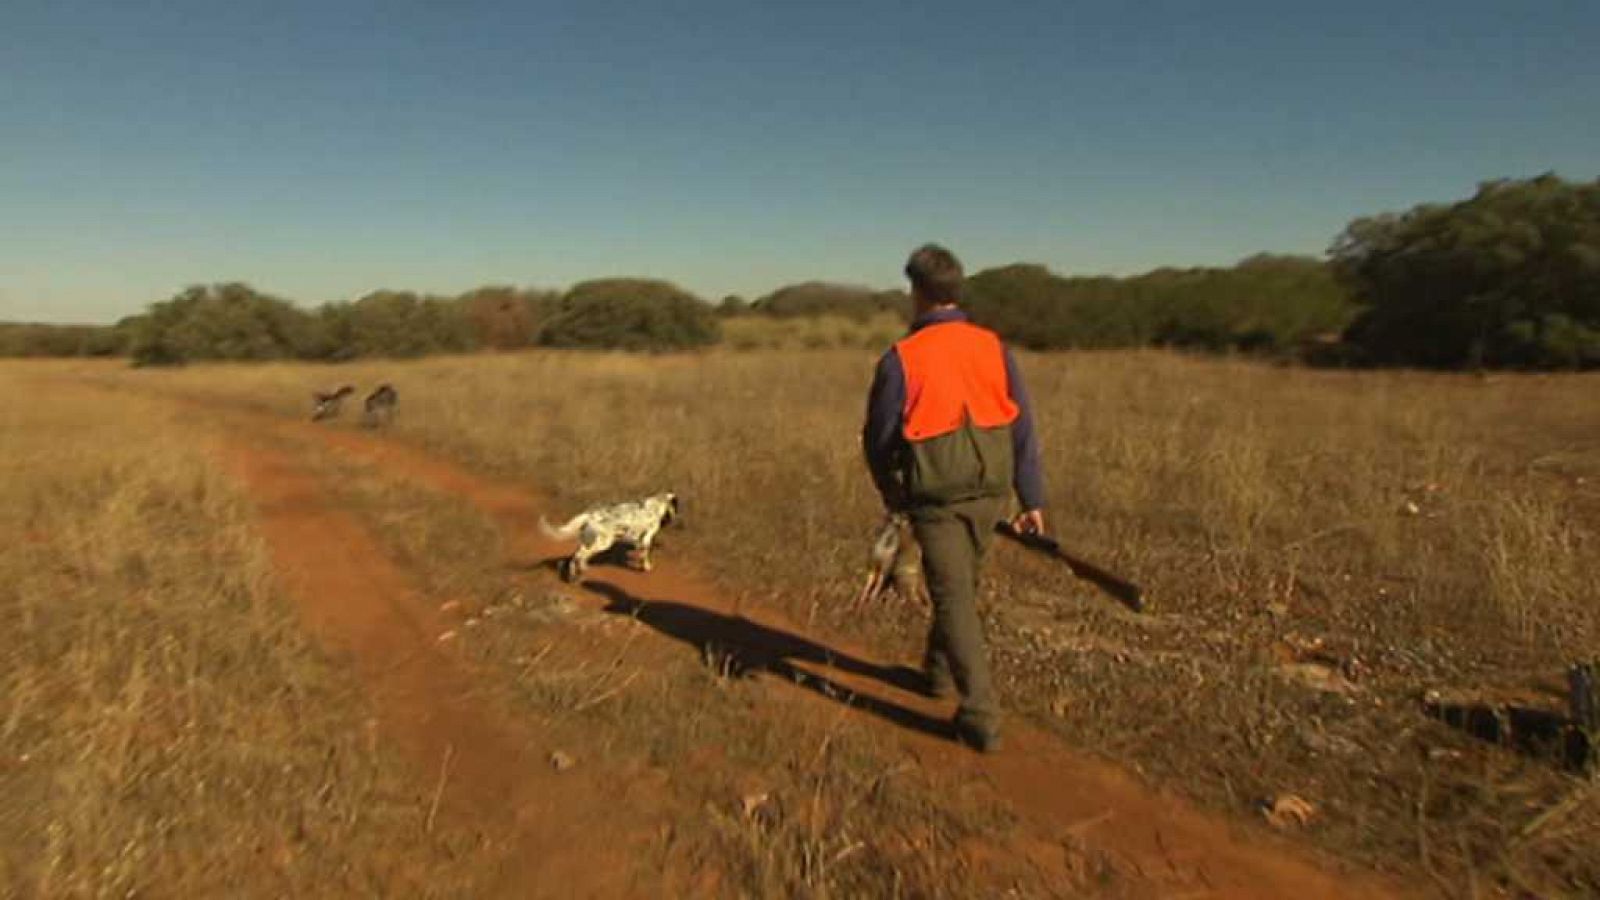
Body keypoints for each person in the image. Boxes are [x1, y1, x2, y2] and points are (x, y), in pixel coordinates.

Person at [862, 243, 1046, 753]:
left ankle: (980, 714)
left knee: (954, 596)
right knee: (960, 589)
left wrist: (892, 491)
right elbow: (1022, 422)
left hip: (936, 494)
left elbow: (877, 437)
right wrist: (1031, 496)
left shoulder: (901, 357)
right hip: (992, 488)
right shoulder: (993, 346)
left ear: (917, 292)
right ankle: (937, 677)